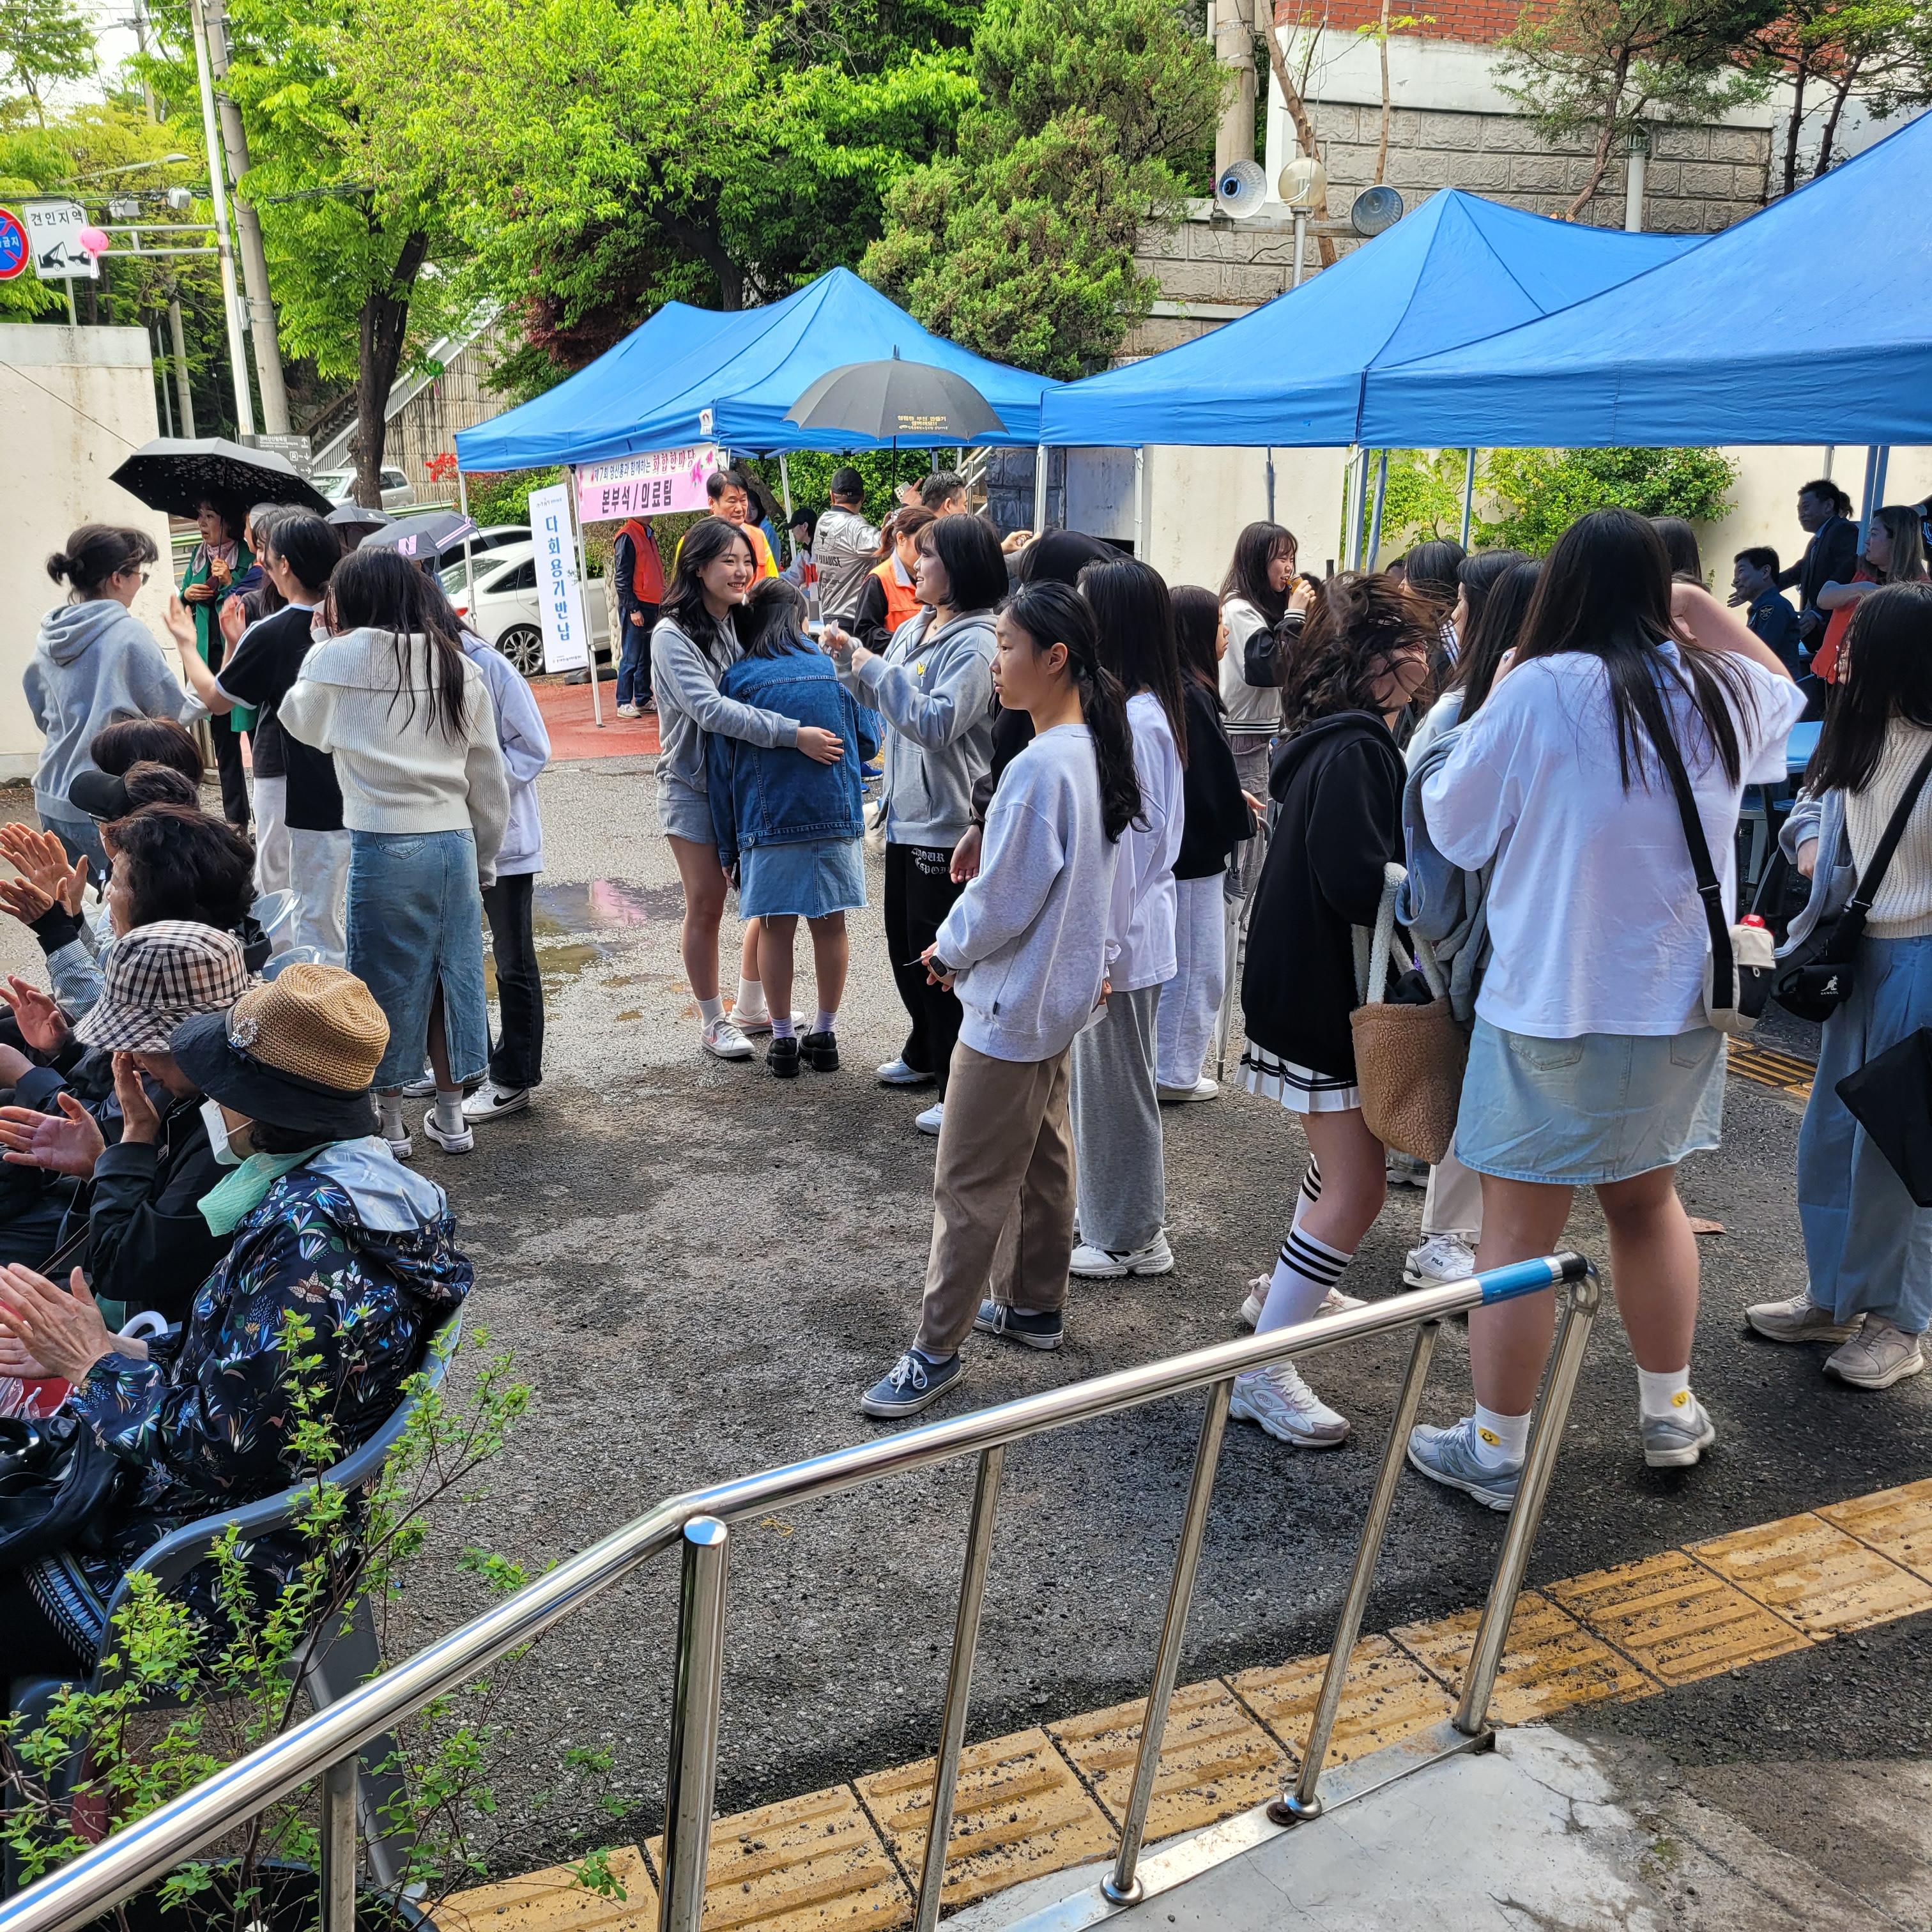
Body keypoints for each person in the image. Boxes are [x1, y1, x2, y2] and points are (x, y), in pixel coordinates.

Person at [1410, 508, 1801, 1508]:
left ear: (1559, 591)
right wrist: (1696, 605)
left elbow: (1454, 829)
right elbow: (1787, 691)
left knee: (1515, 1238)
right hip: (1680, 1008)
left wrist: (1497, 693)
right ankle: (1670, 1412)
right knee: (1647, 1204)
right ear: (1659, 592)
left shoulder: (1537, 687)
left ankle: (1498, 1450)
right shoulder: (1718, 686)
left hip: (1549, 1002)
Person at [0, 962, 470, 1685]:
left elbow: (217, 1448)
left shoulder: (310, 1252)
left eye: (220, 1085)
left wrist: (96, 1369)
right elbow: (244, 1377)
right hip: (240, 1526)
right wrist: (115, 1347)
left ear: (256, 1105)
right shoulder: (369, 1192)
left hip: (208, 1571)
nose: (210, 1101)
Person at [857, 583, 1140, 1416]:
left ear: (1056, 658)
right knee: (1044, 1154)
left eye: (1008, 646)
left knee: (969, 1184)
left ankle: (935, 1350)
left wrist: (947, 950)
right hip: (1060, 997)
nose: (995, 661)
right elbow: (1104, 883)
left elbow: (1002, 899)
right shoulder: (1090, 751)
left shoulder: (1041, 766)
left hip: (1015, 1005)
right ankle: (1032, 1303)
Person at [1235, 574, 1434, 1447]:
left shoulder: (1330, 737)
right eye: (1407, 644)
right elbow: (1358, 881)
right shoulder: (1361, 749)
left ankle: (1282, 1298)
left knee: (1337, 1169)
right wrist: (1433, 886)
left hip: (1298, 983)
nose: (1422, 659)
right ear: (1369, 662)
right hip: (1327, 996)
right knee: (1357, 1187)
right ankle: (1263, 1369)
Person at [1748, 583, 1932, 1388]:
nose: (1839, 653)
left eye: (1856, 641)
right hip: (1860, 960)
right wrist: (1813, 847)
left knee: (1902, 1148)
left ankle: (1901, 1323)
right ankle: (1833, 1296)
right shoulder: (1857, 731)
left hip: (1924, 961)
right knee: (1830, 1138)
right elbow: (1809, 806)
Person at [279, 547, 510, 1159]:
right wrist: (484, 859)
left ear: (352, 599)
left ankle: (390, 1126)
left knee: (381, 983)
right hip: (453, 843)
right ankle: (453, 1119)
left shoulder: (334, 656)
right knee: (450, 978)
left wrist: (321, 643)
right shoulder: (456, 662)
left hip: (382, 844)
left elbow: (299, 720)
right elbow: (489, 778)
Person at [1393, 558, 1542, 1298]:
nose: (1452, 616)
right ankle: (1445, 1238)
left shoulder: (1501, 703)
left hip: (1494, 928)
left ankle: (1463, 1231)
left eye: (1460, 604)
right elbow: (1423, 820)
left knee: (1488, 1082)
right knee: (1473, 1079)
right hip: (1469, 933)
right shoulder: (1464, 711)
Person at [832, 514, 1008, 1135]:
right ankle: (923, 1048)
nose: (917, 564)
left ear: (960, 568)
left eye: (929, 555)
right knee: (906, 946)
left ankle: (956, 1087)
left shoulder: (978, 643)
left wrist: (873, 668)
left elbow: (936, 724)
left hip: (950, 822)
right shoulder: (914, 627)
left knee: (942, 956)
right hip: (907, 815)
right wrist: (849, 664)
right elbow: (883, 700)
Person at [650, 517, 843, 1062]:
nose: (741, 572)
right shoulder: (670, 634)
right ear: (698, 567)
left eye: (746, 562)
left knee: (763, 895)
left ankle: (753, 1006)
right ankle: (713, 1020)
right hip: (692, 784)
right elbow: (709, 710)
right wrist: (793, 734)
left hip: (745, 781)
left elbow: (775, 672)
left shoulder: (741, 620)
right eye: (729, 561)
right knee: (707, 902)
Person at [0, 921, 250, 1324]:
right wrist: (98, 1165)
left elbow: (121, 1269)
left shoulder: (233, 1134)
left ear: (193, 1042)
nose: (130, 1057)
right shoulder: (203, 1093)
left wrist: (133, 1142)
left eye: (142, 1044)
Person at [1067, 558, 1186, 1279]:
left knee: (1116, 1090)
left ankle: (1131, 1235)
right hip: (1131, 930)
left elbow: (1131, 851)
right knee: (1109, 1088)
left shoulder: (1138, 722)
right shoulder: (1142, 713)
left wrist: (1101, 951)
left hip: (1126, 935)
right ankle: (1116, 1221)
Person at [709, 580, 882, 1077]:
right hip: (834, 814)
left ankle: (783, 1040)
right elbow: (868, 742)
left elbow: (722, 772)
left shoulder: (738, 680)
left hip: (768, 822)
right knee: (831, 926)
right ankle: (824, 1034)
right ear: (799, 621)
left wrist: (727, 846)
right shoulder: (831, 671)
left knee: (775, 927)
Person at [167, 512, 348, 950]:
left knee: (285, 895)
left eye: (267, 552)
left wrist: (187, 642)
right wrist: (234, 643)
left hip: (292, 778)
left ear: (283, 564)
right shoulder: (350, 622)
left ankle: (298, 984)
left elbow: (217, 700)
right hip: (353, 780)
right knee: (330, 904)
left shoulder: (272, 631)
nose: (261, 559)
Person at [27, 526, 182, 880]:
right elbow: (172, 714)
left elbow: (41, 712)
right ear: (117, 578)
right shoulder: (129, 634)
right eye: (139, 575)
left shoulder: (49, 635)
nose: (139, 583)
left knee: (75, 901)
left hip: (51, 791)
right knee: (123, 901)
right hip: (104, 797)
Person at [456, 593, 553, 1124]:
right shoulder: (418, 664)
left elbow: (533, 746)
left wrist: (480, 789)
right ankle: (462, 1064)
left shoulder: (488, 664)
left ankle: (514, 1076)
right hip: (449, 834)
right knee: (453, 956)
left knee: (512, 958)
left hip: (504, 839)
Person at [1155, 586, 1251, 1103]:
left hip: (1177, 852)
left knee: (1183, 963)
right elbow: (1206, 784)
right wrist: (1237, 814)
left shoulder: (1171, 689)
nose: (1226, 630)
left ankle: (1169, 1065)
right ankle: (1175, 1072)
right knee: (1198, 967)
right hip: (1193, 857)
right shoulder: (1191, 695)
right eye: (1217, 622)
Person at [1219, 523, 1310, 893]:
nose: (1288, 568)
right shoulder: (1240, 609)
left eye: (1291, 558)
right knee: (1247, 846)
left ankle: (1239, 917)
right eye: (1281, 559)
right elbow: (1268, 668)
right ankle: (1237, 920)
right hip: (1242, 740)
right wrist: (1295, 616)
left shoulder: (1257, 609)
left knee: (1255, 842)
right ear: (1258, 562)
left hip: (1256, 738)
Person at [1404, 550, 1531, 767]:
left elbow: (1413, 781)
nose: (1453, 614)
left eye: (1461, 600)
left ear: (1487, 613)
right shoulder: (1549, 698)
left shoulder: (1452, 708)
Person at [179, 496, 254, 831]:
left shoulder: (247, 556)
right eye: (200, 516)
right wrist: (187, 596)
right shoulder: (198, 557)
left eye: (210, 516)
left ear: (229, 522)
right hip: (210, 663)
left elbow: (252, 599)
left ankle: (269, 814)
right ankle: (236, 819)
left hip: (241, 657)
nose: (202, 523)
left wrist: (228, 583)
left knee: (255, 734)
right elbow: (182, 597)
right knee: (223, 742)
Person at [1813, 507, 1929, 684]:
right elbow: (1824, 599)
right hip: (1828, 676)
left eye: (1874, 534)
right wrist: (1862, 589)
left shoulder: (1921, 588)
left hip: (1875, 685)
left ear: (1897, 540)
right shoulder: (1857, 565)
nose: (1867, 541)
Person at [1779, 478, 1860, 661]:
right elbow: (1797, 572)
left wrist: (1818, 613)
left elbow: (1845, 572)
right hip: (1817, 637)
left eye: (1806, 507)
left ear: (1828, 506)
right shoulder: (1818, 539)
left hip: (1834, 633)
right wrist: (1761, 587)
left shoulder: (1843, 530)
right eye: (1799, 510)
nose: (1801, 515)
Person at [851, 507, 935, 656]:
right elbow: (865, 634)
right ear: (901, 539)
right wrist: (908, 641)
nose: (926, 552)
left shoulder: (936, 576)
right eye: (921, 544)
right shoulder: (879, 579)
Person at [611, 513, 666, 719]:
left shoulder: (648, 533)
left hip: (652, 602)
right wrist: (633, 608)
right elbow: (622, 578)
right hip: (637, 603)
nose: (649, 512)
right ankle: (623, 701)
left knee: (647, 655)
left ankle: (643, 697)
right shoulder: (627, 536)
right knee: (631, 655)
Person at [814, 468, 883, 627]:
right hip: (852, 620)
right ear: (863, 497)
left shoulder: (823, 521)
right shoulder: (855, 527)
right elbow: (887, 545)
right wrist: (905, 508)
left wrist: (884, 529)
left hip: (829, 616)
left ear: (832, 496)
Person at [1731, 547, 1803, 676]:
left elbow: (1759, 652)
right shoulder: (1762, 607)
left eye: (1741, 571)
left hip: (1777, 685)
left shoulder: (1773, 606)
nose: (1735, 581)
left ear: (1765, 572)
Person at [1402, 538, 1467, 670]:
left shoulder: (1446, 650)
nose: (1401, 586)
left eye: (1407, 577)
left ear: (1429, 587)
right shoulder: (1436, 639)